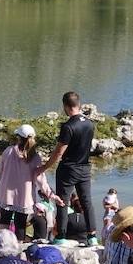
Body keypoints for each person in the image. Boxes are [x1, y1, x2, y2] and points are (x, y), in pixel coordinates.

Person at [43, 91, 97, 246]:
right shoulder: (89, 123)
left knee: (62, 201)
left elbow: (59, 151)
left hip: (69, 168)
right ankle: (92, 236)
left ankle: (61, 236)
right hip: (85, 167)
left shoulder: (68, 126)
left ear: (65, 106)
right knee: (87, 202)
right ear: (79, 104)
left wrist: (45, 167)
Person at [0, 125, 49, 239]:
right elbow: (40, 180)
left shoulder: (8, 152)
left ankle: (1, 246)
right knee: (20, 226)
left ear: (18, 137)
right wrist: (50, 194)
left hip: (6, 196)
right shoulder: (34, 157)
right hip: (25, 199)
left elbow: (1, 172)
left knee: (4, 222)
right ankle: (19, 251)